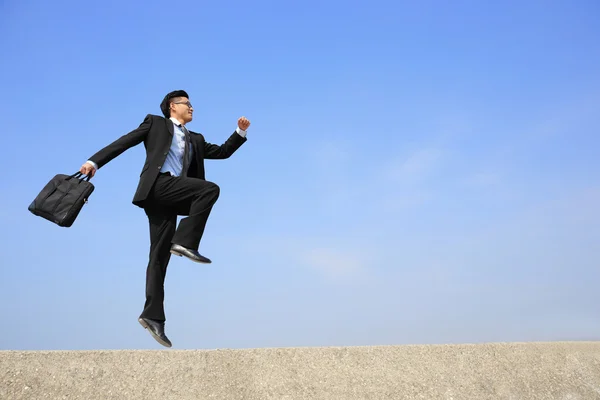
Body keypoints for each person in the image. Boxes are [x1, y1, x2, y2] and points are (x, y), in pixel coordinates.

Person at [79, 90, 250, 347]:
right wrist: (94, 162)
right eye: (188, 104)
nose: (192, 108)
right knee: (209, 189)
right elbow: (124, 142)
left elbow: (223, 152)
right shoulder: (155, 123)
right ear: (173, 106)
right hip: (158, 187)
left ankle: (152, 316)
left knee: (159, 256)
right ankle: (185, 241)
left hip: (174, 195)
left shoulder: (196, 138)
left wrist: (240, 132)